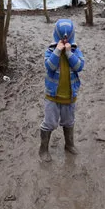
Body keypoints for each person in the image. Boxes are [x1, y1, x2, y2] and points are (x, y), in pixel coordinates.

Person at [39, 19, 85, 162]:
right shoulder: (50, 51)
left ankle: (69, 144)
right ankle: (43, 149)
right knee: (50, 123)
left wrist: (69, 53)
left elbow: (79, 66)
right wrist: (58, 51)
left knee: (69, 121)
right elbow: (49, 66)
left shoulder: (76, 51)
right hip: (52, 96)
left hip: (70, 96)